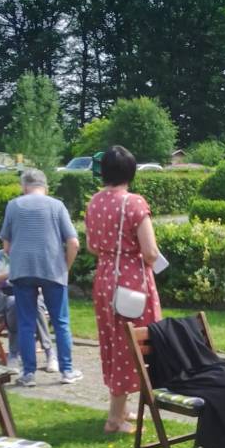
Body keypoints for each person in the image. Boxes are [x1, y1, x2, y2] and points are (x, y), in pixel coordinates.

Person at [85, 145, 162, 433]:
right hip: (132, 283)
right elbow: (151, 252)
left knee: (113, 341)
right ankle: (114, 419)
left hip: (105, 279)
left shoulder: (94, 202)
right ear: (131, 172)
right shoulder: (134, 204)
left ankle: (121, 408)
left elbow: (93, 246)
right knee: (133, 345)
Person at [0, 168, 81, 386]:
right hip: (53, 270)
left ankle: (29, 374)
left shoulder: (13, 206)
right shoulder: (57, 206)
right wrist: (66, 267)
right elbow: (73, 243)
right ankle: (67, 371)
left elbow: (6, 246)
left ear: (24, 186)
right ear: (45, 186)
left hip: (22, 271)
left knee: (26, 323)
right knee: (61, 322)